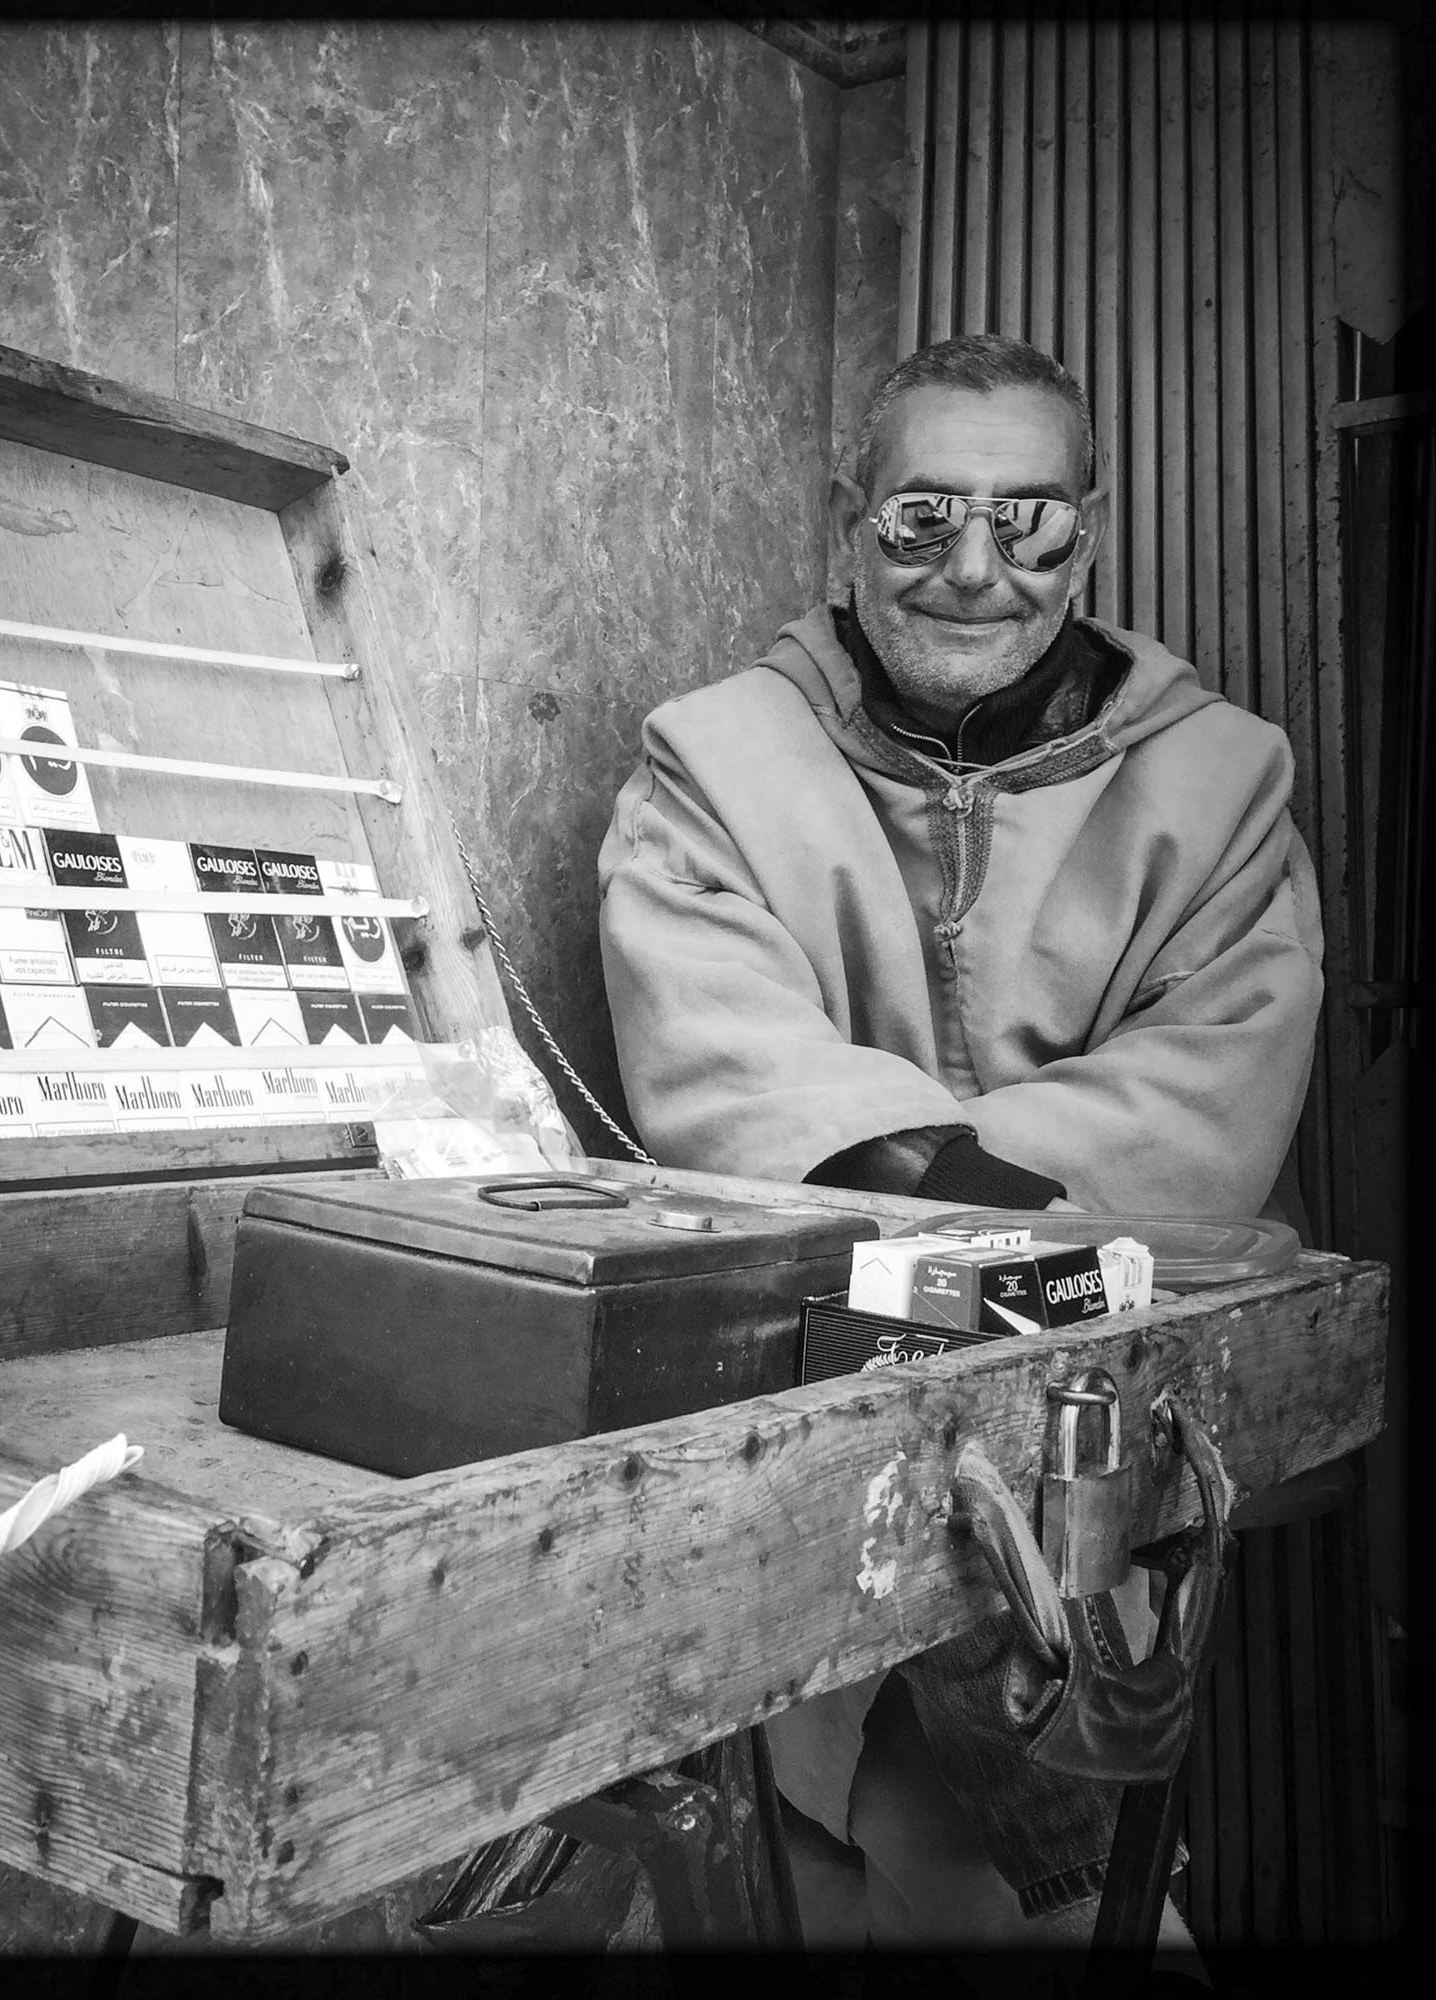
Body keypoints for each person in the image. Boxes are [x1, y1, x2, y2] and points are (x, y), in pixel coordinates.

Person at [596, 333, 1324, 1948]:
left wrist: (899, 1182)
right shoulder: (710, 760)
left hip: (1086, 1463)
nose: (978, 571)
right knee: (770, 1860)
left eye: (1031, 522)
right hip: (794, 1453)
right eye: (924, 519)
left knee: (1031, 1867)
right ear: (847, 521)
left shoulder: (1224, 782)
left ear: (1095, 526)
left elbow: (1205, 1110)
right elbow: (720, 1075)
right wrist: (989, 1212)